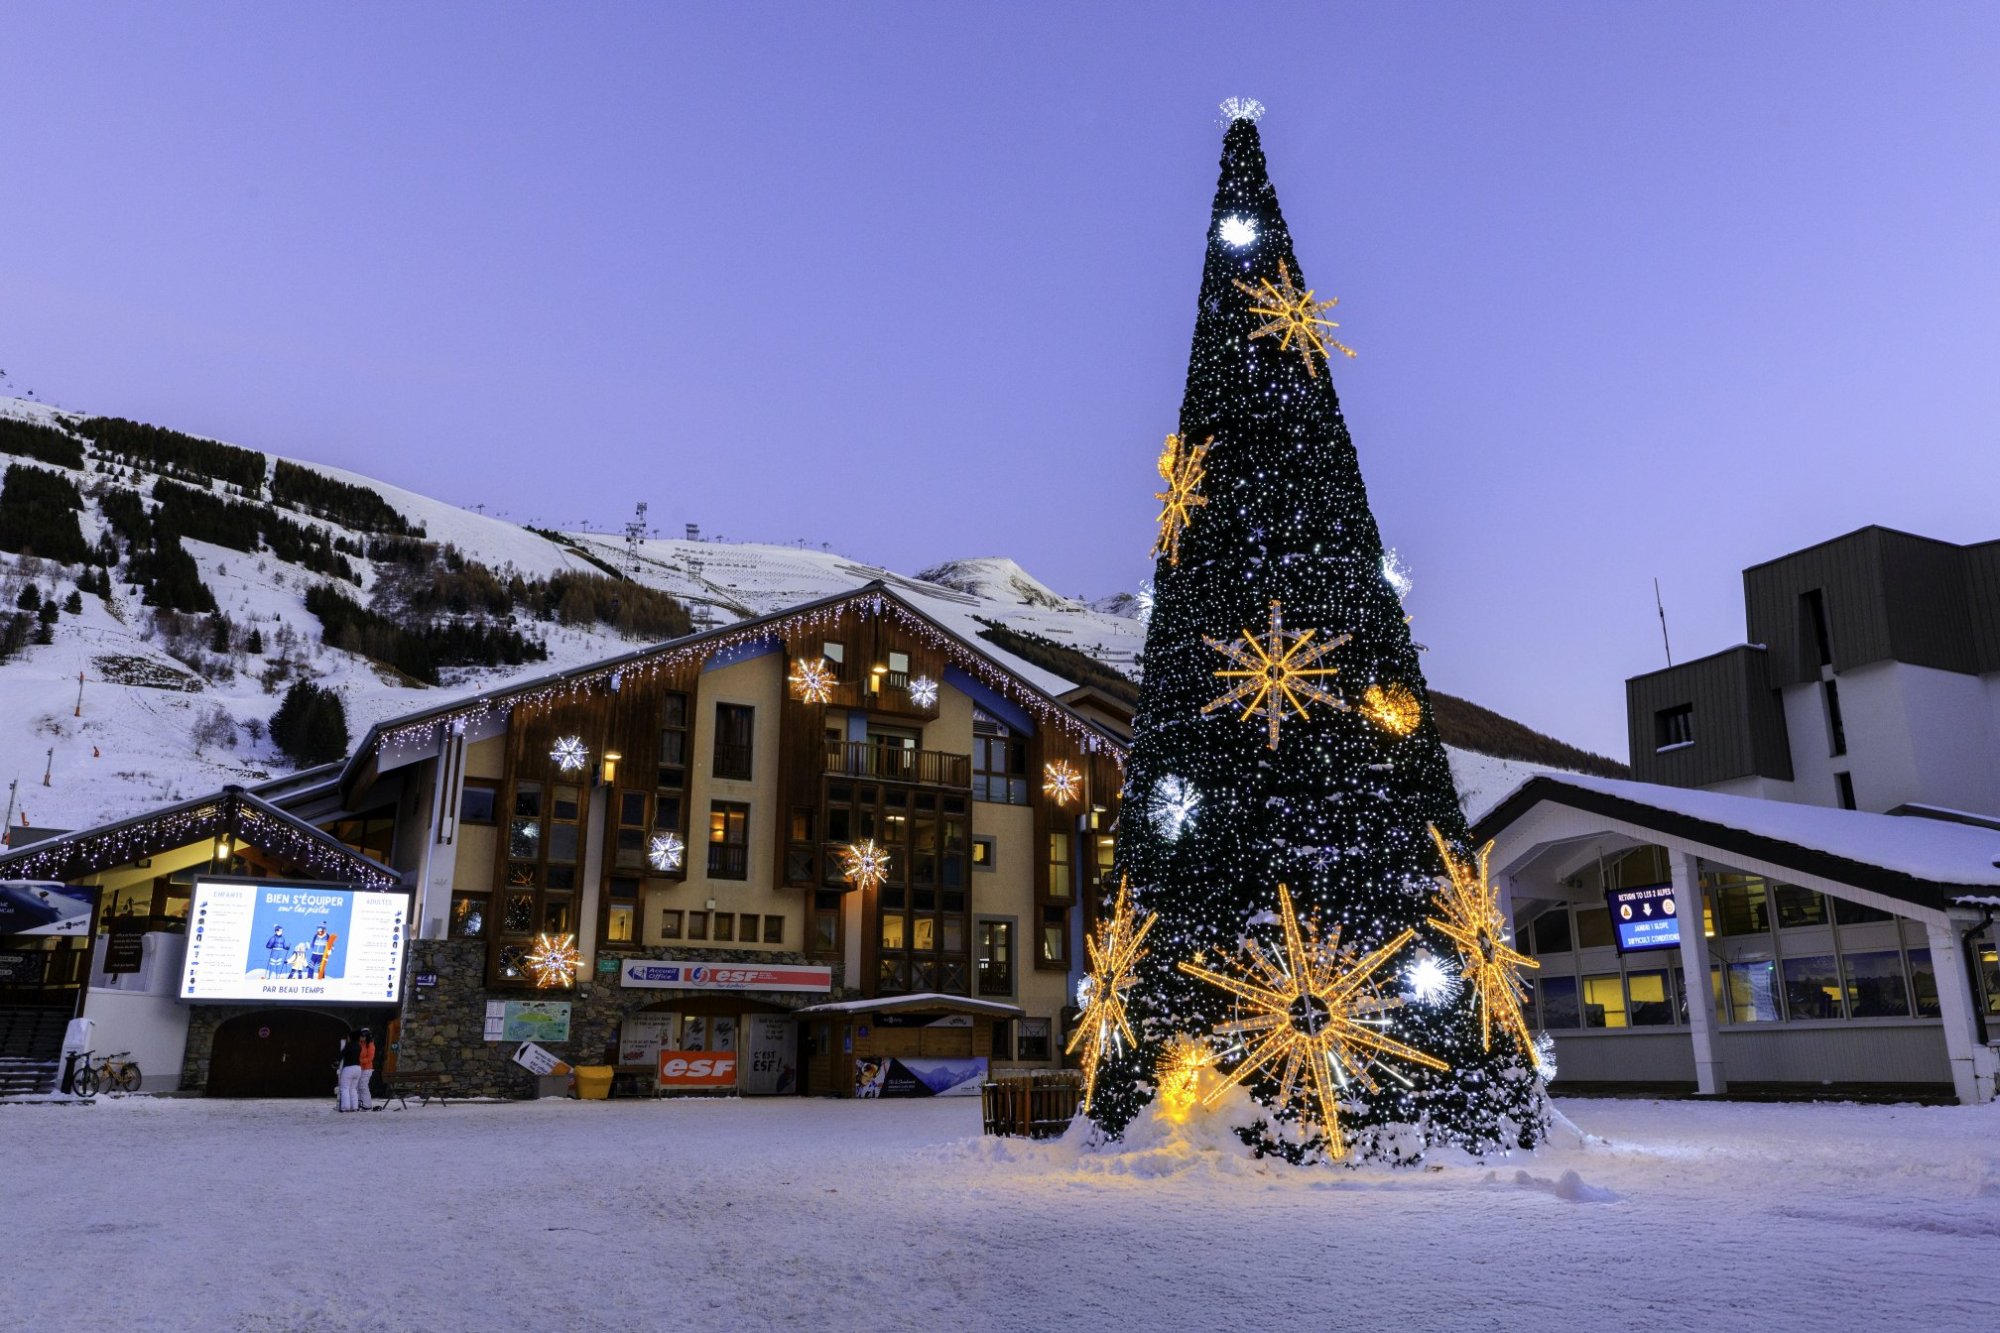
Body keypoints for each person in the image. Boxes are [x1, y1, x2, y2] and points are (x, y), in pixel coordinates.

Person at [336, 1027, 364, 1112]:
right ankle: (355, 1107)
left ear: (351, 1037)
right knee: (353, 1089)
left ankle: (345, 1107)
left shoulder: (349, 1045)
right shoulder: (359, 1046)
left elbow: (341, 1055)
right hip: (358, 1069)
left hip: (348, 1068)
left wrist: (336, 1062)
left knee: (344, 1088)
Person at [356, 1027, 376, 1111]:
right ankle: (359, 1103)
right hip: (358, 1068)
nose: (361, 1038)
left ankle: (367, 1104)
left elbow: (370, 1058)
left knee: (363, 1086)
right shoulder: (360, 1043)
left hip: (367, 1069)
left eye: (363, 1036)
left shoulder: (370, 1045)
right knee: (357, 1086)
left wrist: (360, 1061)